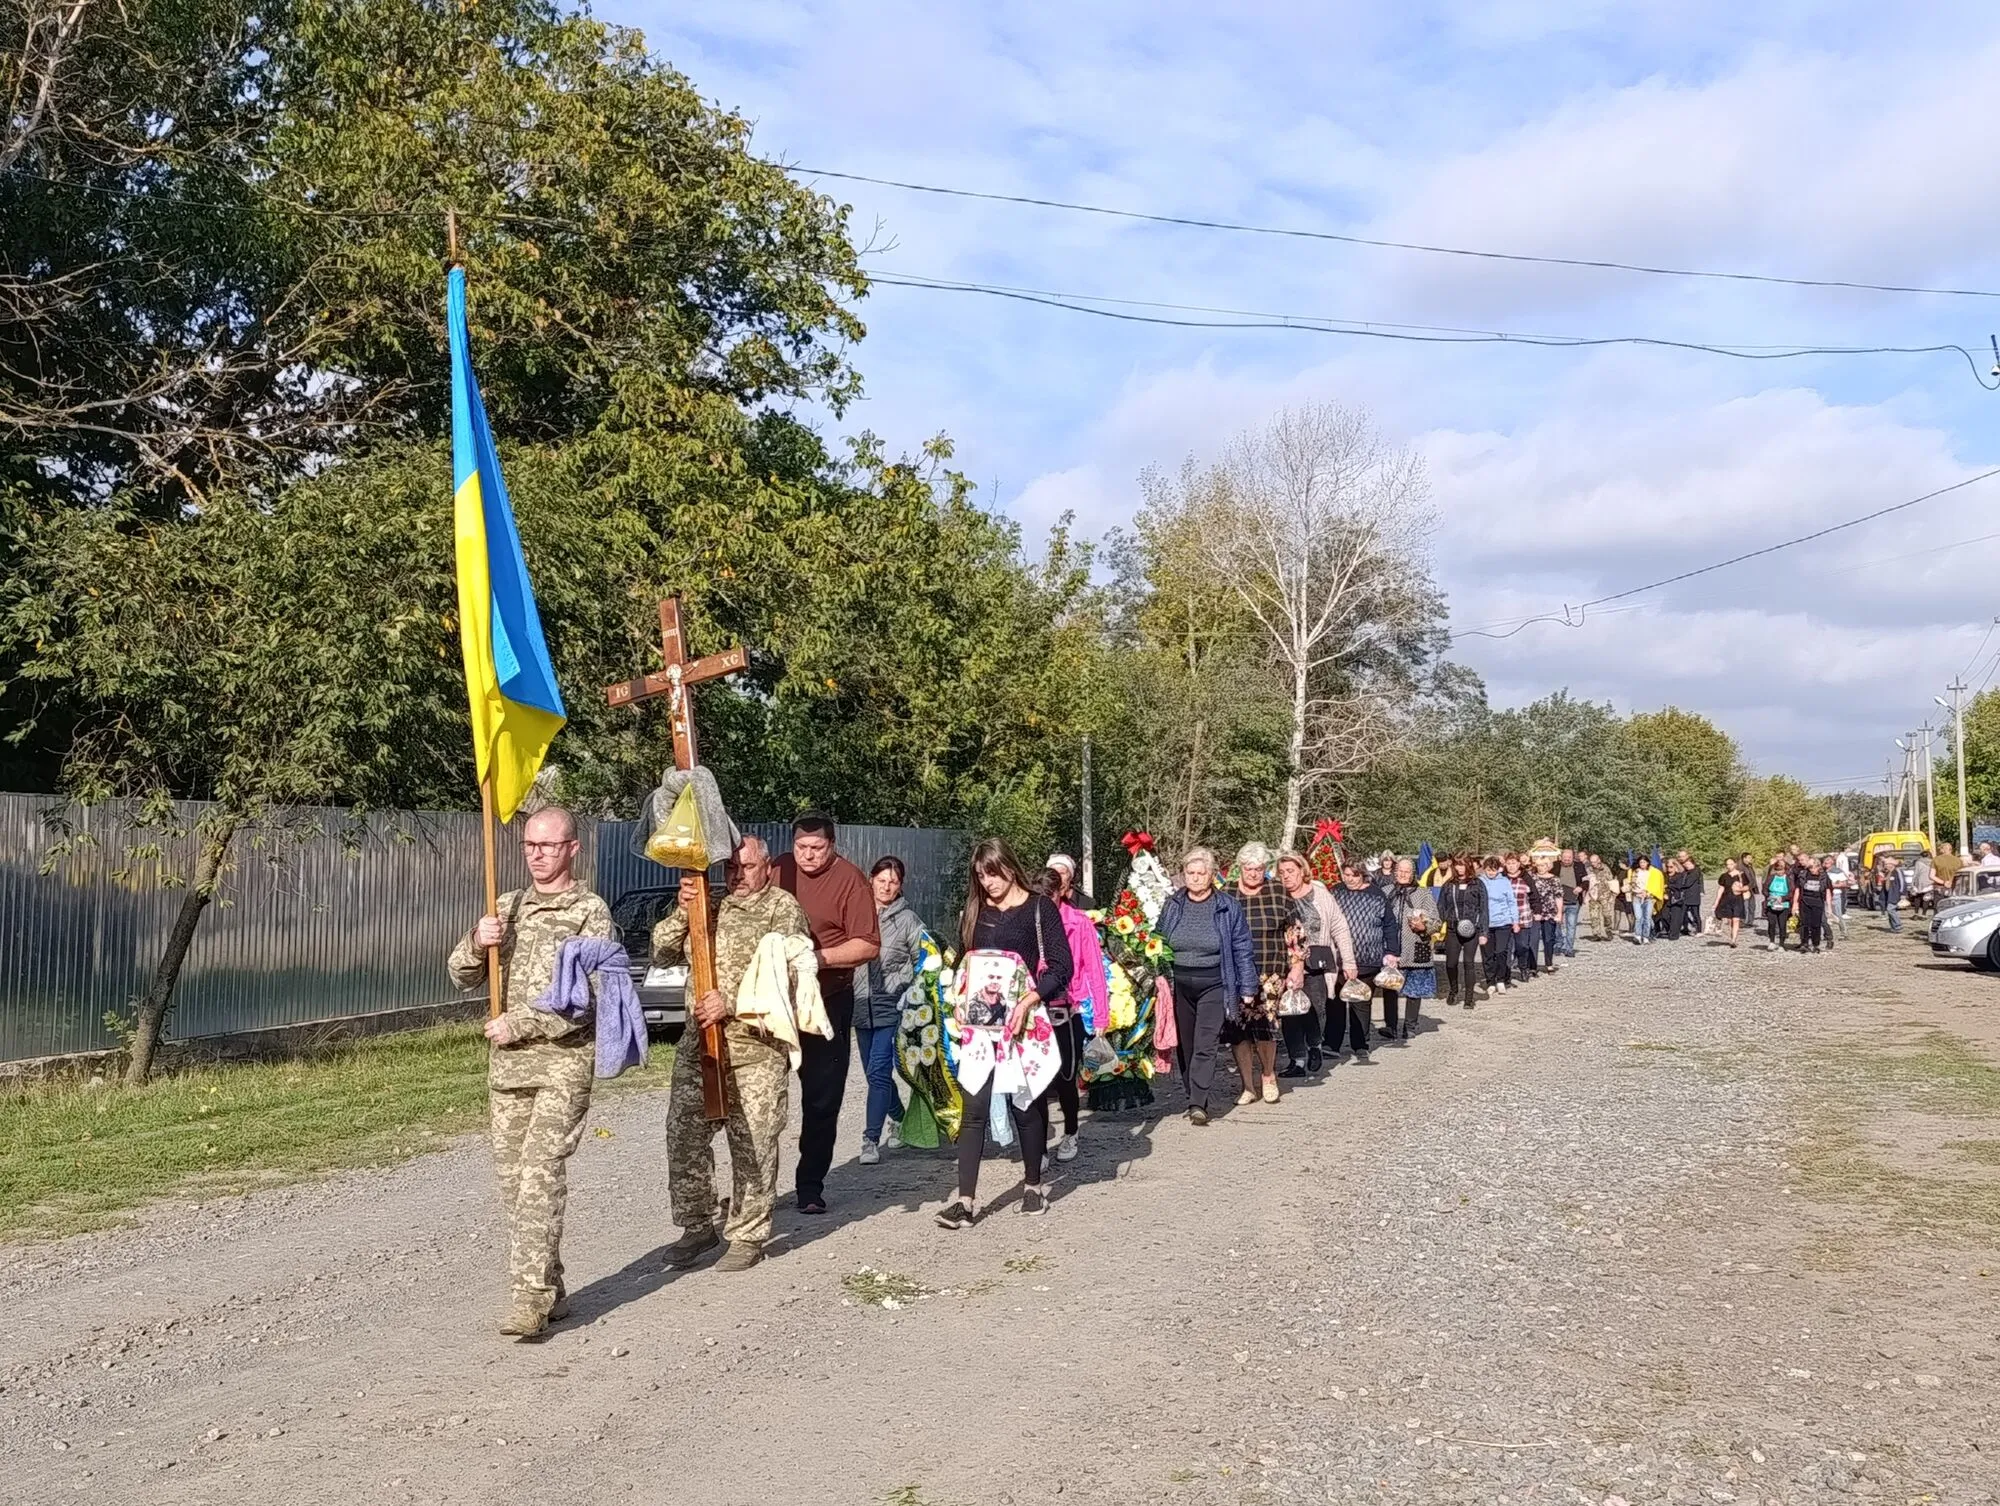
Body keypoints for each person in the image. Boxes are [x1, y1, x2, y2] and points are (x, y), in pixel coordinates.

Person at [447, 807, 614, 1337]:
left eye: (547, 845)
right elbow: (460, 975)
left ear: (572, 849)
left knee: (541, 1173)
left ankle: (529, 1300)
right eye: (528, 845)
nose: (536, 854)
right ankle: (554, 1286)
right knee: (514, 1184)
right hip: (509, 1068)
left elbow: (585, 997)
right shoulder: (507, 905)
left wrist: (518, 1022)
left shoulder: (591, 912)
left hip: (563, 1060)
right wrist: (479, 940)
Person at [654, 835, 812, 1273]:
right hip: (699, 1042)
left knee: (754, 1141)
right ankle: (697, 1224)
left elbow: (788, 973)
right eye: (730, 869)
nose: (738, 877)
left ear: (766, 867)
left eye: (746, 867)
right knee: (684, 1135)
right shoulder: (711, 904)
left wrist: (733, 1002)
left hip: (754, 1045)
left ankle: (748, 1232)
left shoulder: (781, 908)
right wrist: (685, 910)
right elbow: (661, 949)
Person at [932, 840, 1073, 1227]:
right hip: (979, 1024)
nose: (987, 882)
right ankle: (966, 1202)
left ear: (1010, 867)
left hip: (1021, 1023)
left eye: (992, 873)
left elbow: (1062, 967)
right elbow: (967, 960)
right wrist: (958, 997)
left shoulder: (1039, 908)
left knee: (1025, 1105)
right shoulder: (976, 910)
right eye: (980, 875)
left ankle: (1032, 1185)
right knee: (973, 1108)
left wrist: (1030, 1000)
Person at [775, 812, 880, 1216]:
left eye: (817, 848)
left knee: (821, 1097)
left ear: (832, 846)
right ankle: (758, 1187)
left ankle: (810, 1184)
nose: (808, 856)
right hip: (778, 1001)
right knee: (761, 1091)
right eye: (801, 847)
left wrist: (816, 958)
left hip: (828, 998)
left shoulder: (850, 880)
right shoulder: (778, 869)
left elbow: (868, 945)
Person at [1157, 848, 1257, 1125]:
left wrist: (1247, 986)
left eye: (1202, 873)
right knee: (1186, 1046)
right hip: (1179, 984)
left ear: (1213, 875)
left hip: (1214, 982)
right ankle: (1193, 1094)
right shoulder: (1173, 905)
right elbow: (1157, 940)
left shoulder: (1226, 906)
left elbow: (1242, 947)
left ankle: (1198, 1103)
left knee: (1206, 1043)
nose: (1196, 878)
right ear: (1183, 874)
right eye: (1191, 873)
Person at [1031, 866, 1106, 1161]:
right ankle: (1037, 1141)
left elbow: (1095, 969)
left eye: (1048, 896)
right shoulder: (1029, 919)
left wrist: (1100, 1015)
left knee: (1065, 1076)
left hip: (1069, 1005)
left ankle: (1071, 1131)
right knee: (1036, 1079)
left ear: (1061, 892)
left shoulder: (1078, 922)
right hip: (1036, 1006)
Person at [854, 856, 923, 1165]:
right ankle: (898, 1115)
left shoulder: (907, 919)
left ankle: (870, 1140)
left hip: (890, 1005)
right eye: (882, 880)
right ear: (872, 880)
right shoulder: (856, 913)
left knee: (879, 1070)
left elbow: (924, 958)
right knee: (873, 1075)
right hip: (858, 1004)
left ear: (900, 886)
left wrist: (908, 988)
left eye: (893, 882)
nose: (886, 886)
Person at [1275, 849, 1356, 1075]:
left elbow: (1339, 926)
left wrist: (1348, 961)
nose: (1286, 876)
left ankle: (1314, 1044)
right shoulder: (1278, 895)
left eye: (1290, 871)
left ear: (1302, 870)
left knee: (1314, 1008)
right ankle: (1297, 1061)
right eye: (1282, 872)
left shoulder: (1320, 894)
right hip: (1287, 964)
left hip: (1317, 962)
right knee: (1289, 1011)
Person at [1225, 842, 1292, 1102]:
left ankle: (1268, 1075)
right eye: (1248, 868)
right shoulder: (1227, 892)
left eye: (1259, 869)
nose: (1253, 874)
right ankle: (1247, 1086)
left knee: (1266, 1027)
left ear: (1266, 869)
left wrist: (1296, 967)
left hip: (1271, 971)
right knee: (1239, 1029)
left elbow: (1294, 932)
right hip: (1236, 972)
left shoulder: (1278, 891)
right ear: (1240, 868)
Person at [1331, 860, 1400, 1057]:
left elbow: (1389, 925)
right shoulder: (1336, 892)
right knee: (1335, 1001)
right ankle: (1332, 1043)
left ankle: (1360, 1044)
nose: (1349, 879)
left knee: (1360, 1002)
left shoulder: (1377, 895)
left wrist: (1392, 951)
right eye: (1346, 875)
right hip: (1340, 956)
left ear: (1363, 875)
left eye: (1353, 875)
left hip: (1368, 955)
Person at [1383, 857, 1439, 1039]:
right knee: (1390, 986)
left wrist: (1425, 927)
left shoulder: (1423, 894)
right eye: (1400, 870)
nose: (1403, 874)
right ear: (1394, 871)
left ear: (1413, 874)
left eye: (1407, 871)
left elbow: (1436, 922)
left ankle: (1410, 1026)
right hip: (1391, 948)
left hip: (1415, 946)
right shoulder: (1386, 892)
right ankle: (1391, 1025)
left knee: (1414, 989)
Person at [1437, 856, 1489, 1008]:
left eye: (1462, 865)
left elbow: (1484, 908)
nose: (1460, 868)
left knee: (1468, 963)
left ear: (1468, 866)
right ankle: (1453, 989)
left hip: (1472, 929)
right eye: (1457, 865)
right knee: (1451, 963)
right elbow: (1441, 907)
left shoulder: (1477, 884)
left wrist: (1484, 932)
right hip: (1453, 928)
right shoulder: (1449, 885)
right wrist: (1436, 926)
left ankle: (1469, 998)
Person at [1479, 856, 1519, 992]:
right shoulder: (1479, 882)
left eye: (1494, 870)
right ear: (1484, 869)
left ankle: (1501, 979)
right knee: (1488, 954)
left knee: (1501, 952)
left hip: (1503, 922)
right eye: (1489, 870)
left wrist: (1515, 921)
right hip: (1485, 924)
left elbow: (1511, 902)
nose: (1491, 873)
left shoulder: (1504, 882)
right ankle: (1490, 981)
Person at [1527, 856, 1563, 973]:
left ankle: (1549, 963)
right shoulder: (1531, 878)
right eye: (1538, 865)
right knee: (1533, 939)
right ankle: (1532, 966)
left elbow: (1558, 897)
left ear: (1548, 866)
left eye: (1543, 865)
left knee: (1548, 939)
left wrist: (1559, 913)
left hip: (1550, 912)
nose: (1541, 868)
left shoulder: (1555, 879)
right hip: (1534, 911)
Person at [1795, 856, 1830, 953]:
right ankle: (1805, 943)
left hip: (1818, 901)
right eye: (1810, 867)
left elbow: (1827, 890)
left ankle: (1816, 944)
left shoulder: (1823, 876)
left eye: (1813, 867)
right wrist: (1795, 903)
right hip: (1805, 901)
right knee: (1804, 924)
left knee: (1816, 925)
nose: (1811, 869)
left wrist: (1829, 907)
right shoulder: (1803, 874)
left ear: (1818, 866)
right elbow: (1798, 889)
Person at [1714, 858, 1748, 947]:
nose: (1729, 866)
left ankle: (1734, 940)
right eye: (1727, 864)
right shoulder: (1724, 876)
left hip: (1738, 899)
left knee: (1736, 919)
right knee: (1730, 920)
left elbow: (1747, 887)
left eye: (1731, 864)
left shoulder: (1741, 875)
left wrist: (1740, 889)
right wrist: (1716, 901)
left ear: (1735, 864)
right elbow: (1721, 888)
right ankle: (1732, 936)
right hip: (1727, 899)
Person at [1557, 848, 1584, 959]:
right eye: (1565, 857)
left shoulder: (1579, 866)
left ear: (1573, 857)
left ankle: (1569, 948)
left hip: (1574, 900)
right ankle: (1558, 945)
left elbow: (1586, 880)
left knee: (1571, 926)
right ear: (1561, 857)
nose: (1567, 859)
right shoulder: (1554, 866)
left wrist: (1581, 887)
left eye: (1569, 857)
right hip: (1558, 900)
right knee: (1557, 925)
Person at [1585, 852, 1617, 942]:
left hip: (1605, 896)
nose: (1593, 864)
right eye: (1591, 862)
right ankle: (1596, 934)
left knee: (1607, 915)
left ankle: (1609, 930)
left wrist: (1612, 895)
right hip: (1593, 896)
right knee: (1594, 916)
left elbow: (1611, 881)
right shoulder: (1589, 869)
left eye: (1594, 862)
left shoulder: (1605, 868)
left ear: (1599, 860)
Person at [1764, 857, 1792, 949]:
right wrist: (1769, 896)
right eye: (1777, 870)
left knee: (1782, 924)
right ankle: (1772, 941)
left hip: (1784, 904)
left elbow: (1791, 892)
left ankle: (1781, 943)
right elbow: (1765, 889)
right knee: (1771, 923)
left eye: (1781, 870)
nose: (1779, 872)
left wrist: (1783, 898)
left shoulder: (1788, 879)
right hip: (1771, 903)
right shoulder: (1771, 878)